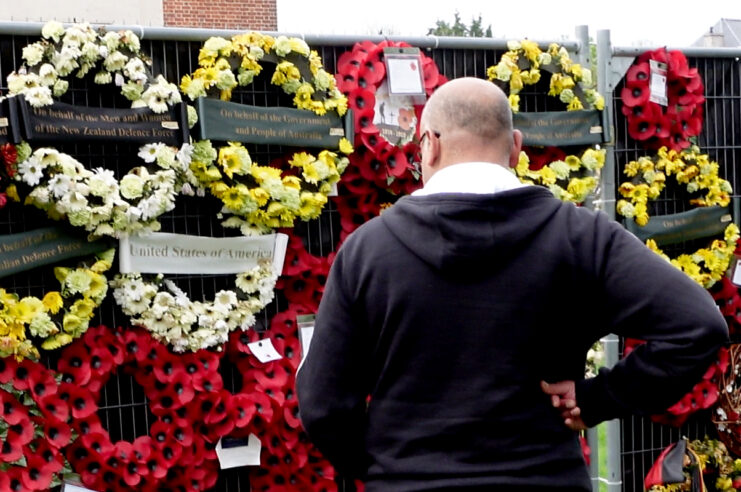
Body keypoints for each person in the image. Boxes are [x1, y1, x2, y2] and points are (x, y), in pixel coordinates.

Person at [295, 77, 729, 491]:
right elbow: (697, 326)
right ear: (516, 148)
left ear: (429, 145)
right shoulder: (582, 237)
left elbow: (322, 403)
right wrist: (598, 398)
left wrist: (385, 467)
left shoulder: (367, 250)